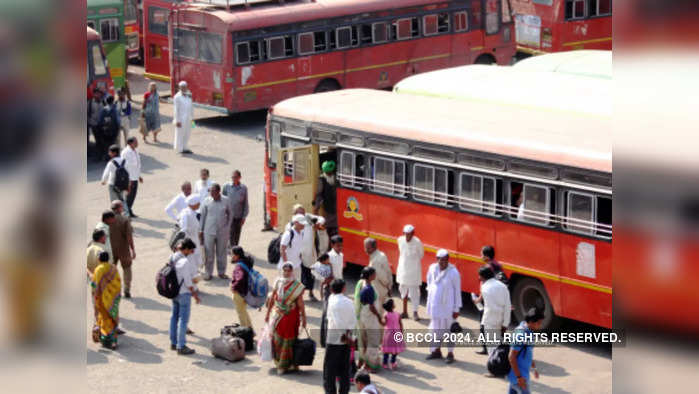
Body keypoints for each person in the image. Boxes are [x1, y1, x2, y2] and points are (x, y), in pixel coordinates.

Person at [265, 262, 307, 374]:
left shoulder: (297, 286)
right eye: (285, 270)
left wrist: (304, 318)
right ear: (282, 271)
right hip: (278, 315)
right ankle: (280, 363)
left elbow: (300, 304)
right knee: (277, 339)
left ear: (292, 271)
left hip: (290, 317)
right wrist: (268, 313)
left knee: (289, 340)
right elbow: (272, 298)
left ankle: (287, 365)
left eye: (289, 271)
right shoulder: (278, 282)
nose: (287, 273)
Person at [425, 249, 462, 364]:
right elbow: (429, 284)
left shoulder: (453, 272)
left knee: (449, 331)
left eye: (446, 260)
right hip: (435, 305)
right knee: (435, 329)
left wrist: (456, 309)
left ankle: (450, 353)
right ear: (437, 260)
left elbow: (457, 291)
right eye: (441, 260)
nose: (443, 263)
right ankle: (436, 351)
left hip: (448, 308)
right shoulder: (432, 268)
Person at [324, 279, 356, 394]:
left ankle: (330, 392)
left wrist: (343, 335)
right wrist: (350, 337)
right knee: (344, 369)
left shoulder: (331, 300)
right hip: (346, 339)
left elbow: (335, 321)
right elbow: (353, 320)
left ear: (332, 289)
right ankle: (344, 391)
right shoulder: (349, 302)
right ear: (344, 288)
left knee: (330, 370)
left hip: (333, 338)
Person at [169, 238, 201, 355]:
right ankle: (181, 346)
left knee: (174, 317)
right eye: (191, 250)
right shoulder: (184, 262)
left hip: (174, 291)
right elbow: (188, 282)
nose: (191, 253)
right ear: (186, 249)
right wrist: (195, 295)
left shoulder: (172, 257)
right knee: (183, 320)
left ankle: (173, 342)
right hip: (184, 293)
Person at [285, 204, 322, 301]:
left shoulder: (309, 220)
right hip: (296, 255)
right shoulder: (289, 226)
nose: (302, 214)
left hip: (309, 253)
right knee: (298, 276)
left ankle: (310, 293)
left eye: (303, 212)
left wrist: (317, 223)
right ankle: (297, 295)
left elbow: (321, 219)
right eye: (299, 212)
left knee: (310, 274)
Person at [474, 265, 511, 357]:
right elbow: (507, 306)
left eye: (479, 276)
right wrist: (505, 324)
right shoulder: (503, 286)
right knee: (499, 345)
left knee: (492, 349)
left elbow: (488, 307)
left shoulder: (484, 287)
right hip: (501, 319)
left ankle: (494, 366)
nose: (479, 278)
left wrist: (483, 322)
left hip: (490, 321)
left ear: (482, 276)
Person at [199, 183, 231, 280]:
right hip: (209, 231)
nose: (211, 193)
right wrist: (201, 230)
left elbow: (230, 214)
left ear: (218, 191)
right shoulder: (206, 201)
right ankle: (208, 273)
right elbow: (202, 216)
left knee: (222, 252)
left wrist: (228, 227)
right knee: (209, 253)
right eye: (210, 191)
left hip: (222, 232)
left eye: (213, 191)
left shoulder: (226, 200)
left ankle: (221, 272)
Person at [355, 266, 384, 372]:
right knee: (373, 341)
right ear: (371, 276)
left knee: (363, 340)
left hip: (362, 315)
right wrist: (379, 317)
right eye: (374, 274)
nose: (375, 275)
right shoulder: (369, 288)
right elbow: (372, 307)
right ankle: (370, 365)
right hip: (370, 318)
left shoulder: (361, 284)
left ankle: (361, 362)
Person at [508, 308, 543, 394]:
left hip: (518, 376)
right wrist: (519, 377)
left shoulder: (529, 332)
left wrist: (534, 369)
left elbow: (528, 353)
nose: (540, 325)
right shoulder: (521, 335)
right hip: (519, 377)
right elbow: (511, 357)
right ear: (531, 322)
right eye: (538, 323)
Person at [91, 251, 121, 350]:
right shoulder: (113, 268)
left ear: (100, 259)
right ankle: (114, 341)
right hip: (112, 299)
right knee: (112, 319)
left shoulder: (98, 269)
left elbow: (94, 285)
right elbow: (118, 282)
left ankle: (107, 340)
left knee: (104, 319)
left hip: (102, 299)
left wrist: (94, 295)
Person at [396, 224, 424, 321]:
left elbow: (421, 255)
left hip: (414, 271)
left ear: (413, 233)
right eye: (406, 234)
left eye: (409, 234)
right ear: (403, 233)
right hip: (403, 270)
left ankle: (415, 313)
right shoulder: (400, 240)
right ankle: (404, 312)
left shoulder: (418, 242)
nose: (407, 236)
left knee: (414, 292)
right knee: (403, 291)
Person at [110, 200, 136, 298]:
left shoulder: (106, 219)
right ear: (119, 208)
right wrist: (133, 250)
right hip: (123, 249)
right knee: (127, 268)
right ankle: (127, 289)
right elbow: (129, 237)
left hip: (111, 249)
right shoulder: (125, 219)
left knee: (111, 270)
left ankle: (114, 289)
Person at [222, 170, 249, 248]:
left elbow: (245, 203)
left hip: (239, 215)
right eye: (232, 177)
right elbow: (222, 200)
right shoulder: (226, 186)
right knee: (231, 233)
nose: (233, 179)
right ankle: (232, 249)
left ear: (239, 178)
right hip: (229, 215)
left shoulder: (243, 188)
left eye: (235, 177)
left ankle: (235, 248)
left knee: (237, 233)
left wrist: (244, 217)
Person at [365, 237, 392, 314]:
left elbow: (382, 277)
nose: (366, 250)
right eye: (365, 247)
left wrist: (388, 287)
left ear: (374, 247)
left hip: (379, 289)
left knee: (378, 313)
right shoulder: (381, 254)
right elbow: (388, 272)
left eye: (368, 248)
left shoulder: (375, 261)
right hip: (382, 289)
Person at [313, 253, 334, 348]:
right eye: (327, 259)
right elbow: (324, 281)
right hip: (328, 291)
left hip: (329, 290)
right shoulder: (322, 268)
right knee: (326, 315)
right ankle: (324, 339)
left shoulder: (324, 266)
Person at [230, 246, 253, 329]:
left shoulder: (239, 266)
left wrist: (234, 287)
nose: (231, 256)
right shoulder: (246, 262)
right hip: (246, 292)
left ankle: (245, 332)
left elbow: (240, 278)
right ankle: (251, 331)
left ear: (237, 256)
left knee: (241, 314)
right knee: (244, 312)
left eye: (232, 254)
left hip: (239, 293)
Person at [313, 160, 338, 237]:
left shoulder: (336, 177)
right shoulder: (322, 179)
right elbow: (319, 194)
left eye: (330, 172)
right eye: (328, 172)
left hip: (337, 204)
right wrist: (316, 207)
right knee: (329, 225)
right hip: (328, 205)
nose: (329, 174)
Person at [178, 195, 203, 271]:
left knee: (196, 254)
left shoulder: (194, 212)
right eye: (198, 203)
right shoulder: (185, 213)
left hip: (195, 238)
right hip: (189, 239)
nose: (199, 204)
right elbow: (183, 228)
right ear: (193, 204)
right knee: (191, 255)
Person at [278, 214, 306, 281]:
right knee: (285, 288)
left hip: (297, 265)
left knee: (297, 288)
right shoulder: (288, 234)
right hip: (286, 268)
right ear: (296, 223)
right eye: (301, 223)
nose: (303, 225)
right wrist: (286, 265)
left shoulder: (302, 233)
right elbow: (282, 249)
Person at [121, 137, 143, 218]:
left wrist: (139, 176)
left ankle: (128, 210)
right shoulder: (126, 152)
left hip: (135, 177)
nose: (137, 143)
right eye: (135, 142)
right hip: (130, 178)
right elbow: (124, 166)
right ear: (130, 143)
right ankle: (126, 211)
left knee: (132, 195)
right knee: (129, 196)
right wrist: (128, 179)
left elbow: (137, 165)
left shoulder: (135, 151)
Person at [100, 145, 128, 209]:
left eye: (110, 152)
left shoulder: (111, 162)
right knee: (122, 199)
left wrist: (103, 181)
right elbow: (129, 171)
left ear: (114, 153)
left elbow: (106, 173)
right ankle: (125, 214)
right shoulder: (124, 161)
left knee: (114, 201)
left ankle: (116, 215)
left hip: (112, 184)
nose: (109, 153)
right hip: (123, 184)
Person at [381, 299, 404, 370]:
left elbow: (384, 324)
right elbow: (400, 324)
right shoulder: (398, 314)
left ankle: (385, 363)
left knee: (386, 350)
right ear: (392, 306)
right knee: (395, 350)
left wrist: (379, 319)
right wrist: (401, 332)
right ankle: (393, 362)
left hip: (388, 334)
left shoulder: (386, 315)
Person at [173, 80, 194, 154]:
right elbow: (176, 110)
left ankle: (185, 147)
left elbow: (191, 107)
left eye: (185, 87)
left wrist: (192, 119)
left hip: (189, 118)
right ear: (179, 88)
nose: (184, 89)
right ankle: (179, 149)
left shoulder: (189, 95)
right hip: (181, 119)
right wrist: (177, 121)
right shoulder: (177, 97)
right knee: (180, 133)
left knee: (187, 133)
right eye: (182, 87)